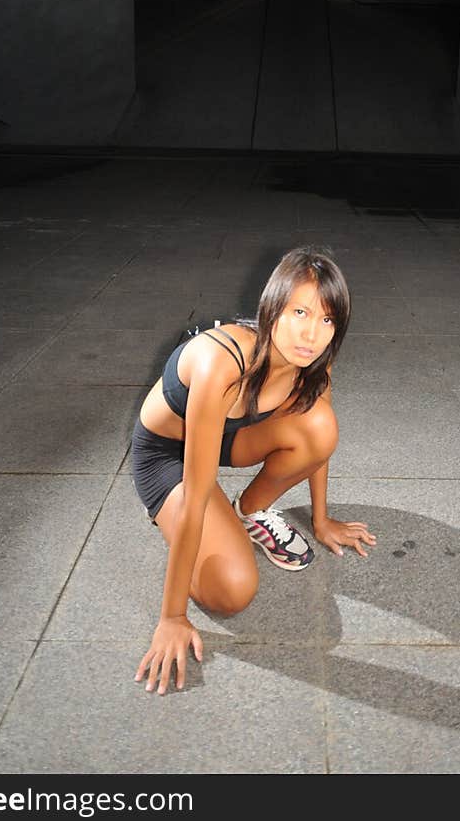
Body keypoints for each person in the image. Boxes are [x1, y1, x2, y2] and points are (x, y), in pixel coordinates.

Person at [132, 245, 376, 695]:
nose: (311, 333)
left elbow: (318, 441)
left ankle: (252, 510)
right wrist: (172, 616)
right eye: (300, 311)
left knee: (320, 424)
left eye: (326, 320)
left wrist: (321, 520)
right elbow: (200, 488)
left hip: (231, 438)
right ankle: (193, 519)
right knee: (234, 591)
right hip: (167, 456)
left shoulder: (313, 362)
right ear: (273, 308)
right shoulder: (221, 362)